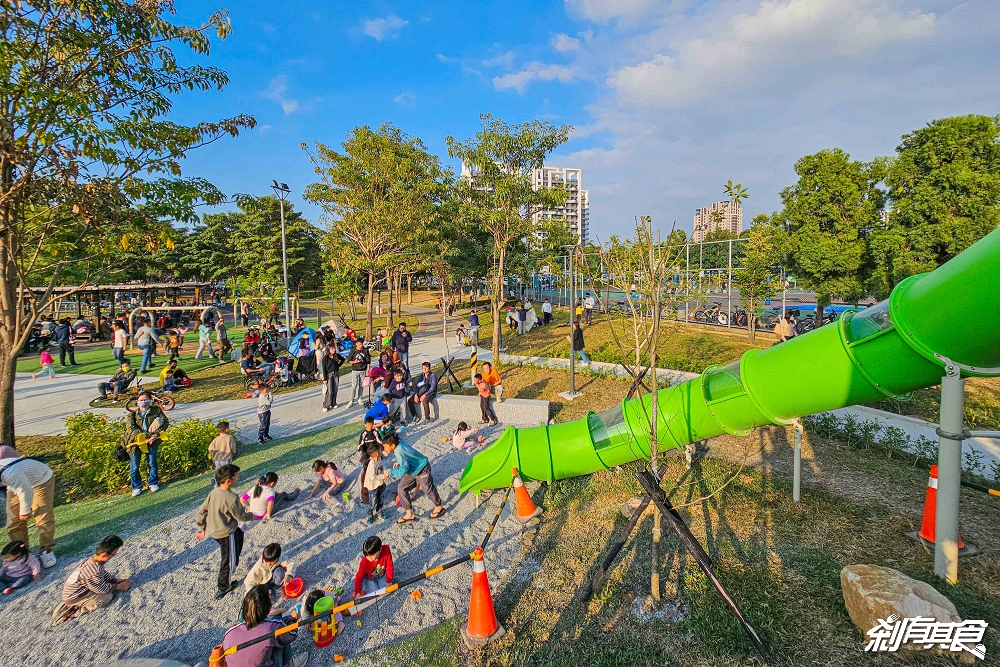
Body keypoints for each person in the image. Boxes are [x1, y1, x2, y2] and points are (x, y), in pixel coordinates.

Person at [196, 464, 255, 599]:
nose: (237, 478)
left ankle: (234, 556)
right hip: (225, 532)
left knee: (239, 535)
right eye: (236, 476)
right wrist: (252, 515)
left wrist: (202, 528)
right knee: (227, 560)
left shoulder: (214, 492)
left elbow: (202, 510)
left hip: (213, 529)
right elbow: (240, 516)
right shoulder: (231, 497)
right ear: (229, 480)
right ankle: (223, 587)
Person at [51, 535, 130, 626]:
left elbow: (103, 574)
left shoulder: (92, 561)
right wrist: (119, 586)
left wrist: (116, 580)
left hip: (79, 591)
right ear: (104, 555)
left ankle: (75, 604)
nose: (115, 555)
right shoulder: (93, 571)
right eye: (114, 554)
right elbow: (101, 589)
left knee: (107, 587)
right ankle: (74, 612)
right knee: (106, 597)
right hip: (76, 597)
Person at [0, 445, 58, 568]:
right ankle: (21, 553)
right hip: (18, 482)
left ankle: (47, 550)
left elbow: (26, 491)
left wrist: (25, 511)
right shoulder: (8, 477)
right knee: (13, 522)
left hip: (41, 480)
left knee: (42, 516)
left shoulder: (10, 475)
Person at [222, 585, 307, 667]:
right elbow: (292, 633)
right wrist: (284, 612)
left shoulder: (229, 632)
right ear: (266, 607)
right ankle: (290, 665)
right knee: (281, 633)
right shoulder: (271, 628)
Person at [382, 433, 445, 523]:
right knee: (401, 487)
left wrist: (390, 472)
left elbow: (402, 470)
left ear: (392, 445)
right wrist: (399, 461)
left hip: (422, 468)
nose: (384, 449)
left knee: (427, 489)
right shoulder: (398, 444)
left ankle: (439, 506)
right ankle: (409, 513)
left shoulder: (399, 450)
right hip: (412, 469)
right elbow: (405, 456)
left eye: (385, 447)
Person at [122, 391, 168, 496]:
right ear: (137, 402)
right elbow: (131, 429)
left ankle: (153, 483)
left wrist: (154, 435)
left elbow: (165, 422)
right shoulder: (132, 415)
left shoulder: (156, 410)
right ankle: (137, 487)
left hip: (152, 441)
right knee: (134, 466)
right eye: (141, 400)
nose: (143, 402)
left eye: (145, 399)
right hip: (135, 443)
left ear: (150, 400)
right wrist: (145, 436)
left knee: (152, 463)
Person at [356, 417, 382, 502]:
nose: (370, 426)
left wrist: (378, 451)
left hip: (374, 455)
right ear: (365, 425)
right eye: (368, 425)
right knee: (365, 475)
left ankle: (378, 488)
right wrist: (363, 452)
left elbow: (380, 442)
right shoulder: (363, 434)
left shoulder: (375, 432)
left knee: (376, 471)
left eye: (371, 425)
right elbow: (360, 445)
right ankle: (365, 495)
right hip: (367, 456)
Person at [320, 344, 345, 413]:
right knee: (329, 390)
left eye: (334, 348)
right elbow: (324, 369)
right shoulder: (325, 358)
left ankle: (333, 403)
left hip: (336, 373)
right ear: (328, 350)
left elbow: (343, 359)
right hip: (329, 375)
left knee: (335, 388)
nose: (334, 350)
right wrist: (325, 379)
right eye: (332, 349)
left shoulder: (336, 355)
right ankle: (326, 405)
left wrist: (338, 366)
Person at [346, 339, 370, 407]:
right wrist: (354, 362)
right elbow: (348, 361)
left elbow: (368, 361)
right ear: (356, 344)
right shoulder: (353, 350)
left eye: (362, 344)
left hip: (363, 369)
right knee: (354, 385)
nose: (361, 345)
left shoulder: (365, 350)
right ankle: (351, 400)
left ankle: (360, 398)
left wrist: (368, 369)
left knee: (361, 385)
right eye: (359, 344)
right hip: (355, 370)